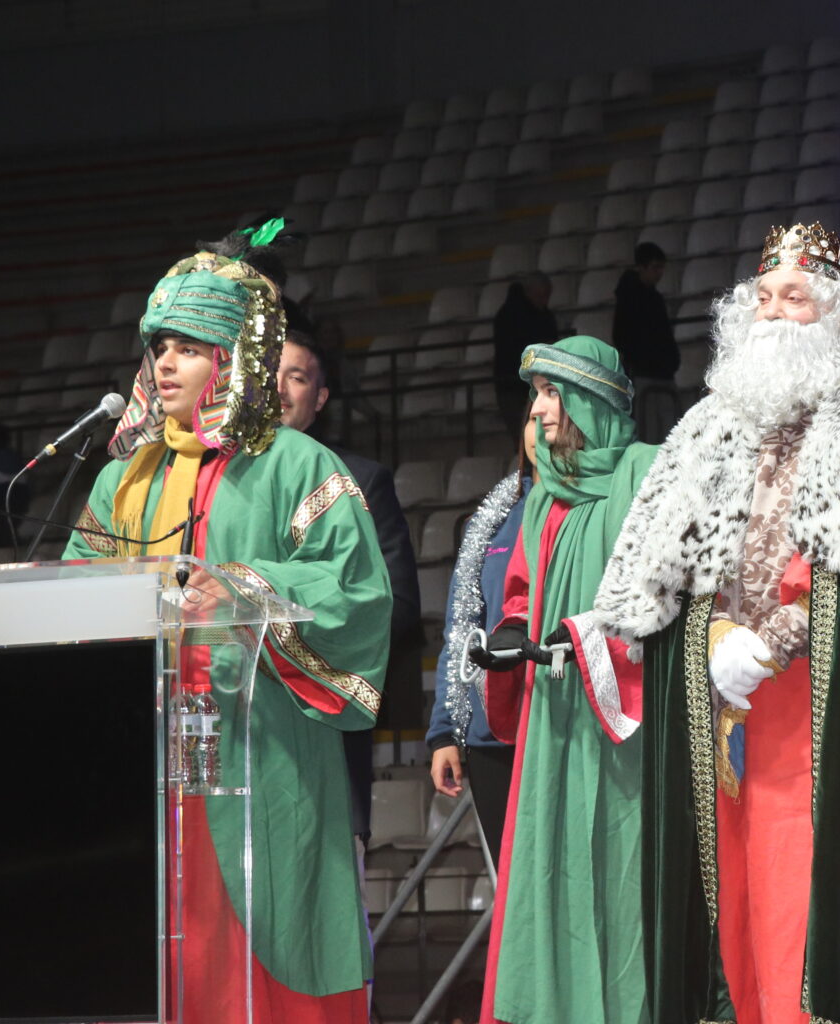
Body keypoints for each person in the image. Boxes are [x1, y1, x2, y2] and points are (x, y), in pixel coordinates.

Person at [595, 222, 840, 1024]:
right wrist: (712, 641)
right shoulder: (705, 427)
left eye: (797, 298)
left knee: (804, 896)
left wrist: (777, 637)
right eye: (766, 298)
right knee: (731, 898)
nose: (776, 313)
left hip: (824, 708)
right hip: (718, 708)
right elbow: (660, 578)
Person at [64, 237, 393, 1020]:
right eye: (159, 348)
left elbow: (358, 594)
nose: (166, 364)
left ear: (231, 360)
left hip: (267, 748)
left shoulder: (300, 465)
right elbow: (74, 597)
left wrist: (244, 590)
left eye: (188, 348)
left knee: (267, 939)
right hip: (148, 758)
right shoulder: (120, 481)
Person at [468, 335, 659, 1024]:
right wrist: (511, 632)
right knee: (556, 868)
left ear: (591, 400)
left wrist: (593, 640)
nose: (540, 410)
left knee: (625, 869)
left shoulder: (648, 471)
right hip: (555, 717)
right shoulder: (544, 498)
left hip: (630, 723)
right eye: (537, 395)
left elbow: (675, 593)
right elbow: (522, 592)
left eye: (552, 393)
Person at [276, 328, 423, 845]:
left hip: (326, 727)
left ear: (319, 399)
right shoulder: (211, 482)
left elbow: (397, 605)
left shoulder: (358, 479)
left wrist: (298, 646)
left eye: (295, 378)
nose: (277, 388)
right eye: (267, 372)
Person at [426, 411, 538, 863]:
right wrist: (444, 733)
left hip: (563, 726)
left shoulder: (597, 507)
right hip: (492, 737)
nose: (541, 425)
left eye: (555, 405)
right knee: (512, 883)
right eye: (531, 416)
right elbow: (461, 629)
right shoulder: (494, 517)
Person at [612, 241, 681, 443]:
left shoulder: (655, 298)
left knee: (669, 431)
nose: (659, 273)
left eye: (661, 268)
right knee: (649, 431)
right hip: (643, 374)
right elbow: (622, 336)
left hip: (662, 372)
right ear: (641, 267)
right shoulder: (628, 298)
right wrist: (641, 361)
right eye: (655, 267)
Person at [491, 272, 559, 423]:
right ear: (529, 292)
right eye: (540, 296)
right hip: (515, 384)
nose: (544, 301)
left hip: (523, 383)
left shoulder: (541, 315)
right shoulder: (512, 316)